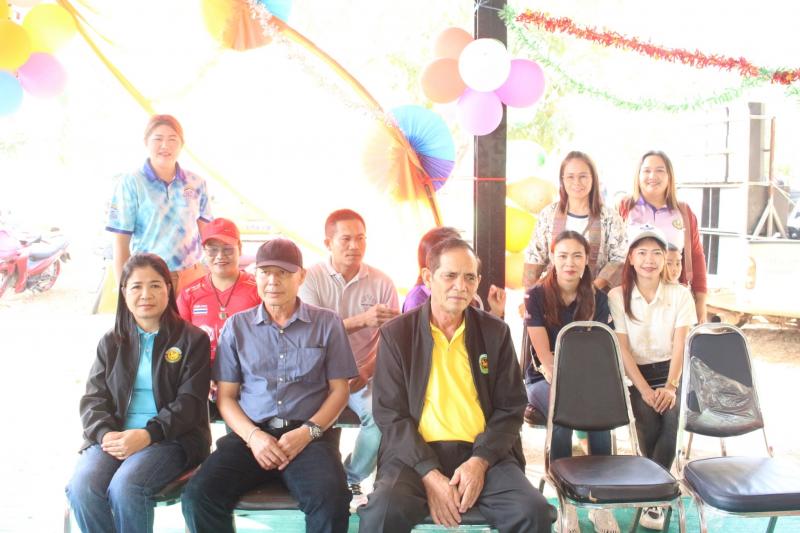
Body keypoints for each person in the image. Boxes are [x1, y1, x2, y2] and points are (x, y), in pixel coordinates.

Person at [358, 238, 551, 533]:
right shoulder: (397, 335)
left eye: (469, 277)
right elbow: (390, 415)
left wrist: (480, 462)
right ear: (428, 277)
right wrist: (430, 474)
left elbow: (511, 407)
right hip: (413, 458)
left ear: (478, 282)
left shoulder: (495, 333)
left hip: (483, 453)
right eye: (450, 275)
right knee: (381, 513)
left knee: (532, 511)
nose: (460, 286)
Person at [181, 238, 359, 533]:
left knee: (332, 501)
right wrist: (254, 437)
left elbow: (339, 390)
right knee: (198, 497)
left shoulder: (327, 324)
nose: (273, 281)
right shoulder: (237, 326)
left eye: (284, 273)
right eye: (265, 272)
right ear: (256, 276)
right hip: (250, 438)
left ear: (301, 276)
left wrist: (307, 432)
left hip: (309, 438)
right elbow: (226, 397)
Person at [66, 253, 211, 533]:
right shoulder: (112, 342)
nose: (146, 294)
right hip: (116, 437)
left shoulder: (193, 340)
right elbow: (94, 399)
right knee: (83, 487)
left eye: (155, 285)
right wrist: (104, 434)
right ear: (124, 292)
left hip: (171, 439)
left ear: (168, 288)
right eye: (136, 286)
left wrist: (147, 435)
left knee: (126, 487)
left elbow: (190, 403)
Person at [298, 209, 399, 507]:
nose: (354, 246)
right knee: (299, 418)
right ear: (328, 242)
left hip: (362, 374)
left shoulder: (382, 282)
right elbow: (311, 333)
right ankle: (307, 479)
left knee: (380, 417)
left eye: (360, 238)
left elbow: (393, 340)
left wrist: (367, 370)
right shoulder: (310, 279)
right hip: (317, 375)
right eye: (346, 239)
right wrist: (363, 320)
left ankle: (351, 476)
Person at [524, 231, 619, 533]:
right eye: (563, 255)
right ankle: (567, 501)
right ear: (552, 257)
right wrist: (566, 377)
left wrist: (583, 382)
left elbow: (597, 352)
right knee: (562, 411)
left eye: (577, 256)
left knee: (601, 415)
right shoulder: (535, 296)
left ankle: (599, 501)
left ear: (586, 260)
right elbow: (545, 357)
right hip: (543, 380)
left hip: (585, 378)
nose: (570, 263)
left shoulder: (598, 299)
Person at [608, 226, 697, 530]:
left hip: (672, 371)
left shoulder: (680, 294)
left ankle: (652, 494)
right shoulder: (617, 296)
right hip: (636, 374)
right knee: (646, 416)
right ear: (631, 258)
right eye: (642, 253)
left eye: (657, 253)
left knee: (672, 416)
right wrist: (645, 390)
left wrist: (671, 387)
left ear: (665, 258)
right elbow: (622, 349)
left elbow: (681, 345)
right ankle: (658, 491)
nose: (649, 260)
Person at [106, 114, 212, 293]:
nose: (165, 145)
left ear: (181, 144)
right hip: (150, 280)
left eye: (172, 139)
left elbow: (208, 235)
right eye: (158, 139)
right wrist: (124, 291)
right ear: (146, 142)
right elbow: (120, 243)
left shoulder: (196, 182)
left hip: (193, 279)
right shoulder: (131, 182)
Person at [177, 217, 260, 418]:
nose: (220, 256)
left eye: (227, 249)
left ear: (240, 248)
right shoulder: (189, 294)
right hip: (201, 377)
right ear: (203, 251)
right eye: (212, 250)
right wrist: (201, 376)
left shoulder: (258, 290)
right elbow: (181, 344)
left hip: (247, 379)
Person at [620, 150, 707, 322]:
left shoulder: (683, 212)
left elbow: (696, 256)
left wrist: (701, 303)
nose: (653, 176)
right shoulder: (625, 207)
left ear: (669, 176)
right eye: (646, 170)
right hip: (633, 300)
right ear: (638, 175)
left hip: (673, 302)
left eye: (660, 170)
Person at [523, 151, 627, 293]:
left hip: (596, 297)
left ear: (593, 178)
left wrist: (592, 289)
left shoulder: (610, 217)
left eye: (583, 176)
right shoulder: (548, 215)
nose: (576, 182)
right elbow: (534, 258)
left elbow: (620, 258)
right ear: (562, 180)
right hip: (553, 296)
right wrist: (529, 297)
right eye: (570, 176)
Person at [403, 226, 506, 318]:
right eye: (449, 275)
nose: (460, 286)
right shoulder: (416, 300)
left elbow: (476, 330)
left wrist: (495, 311)